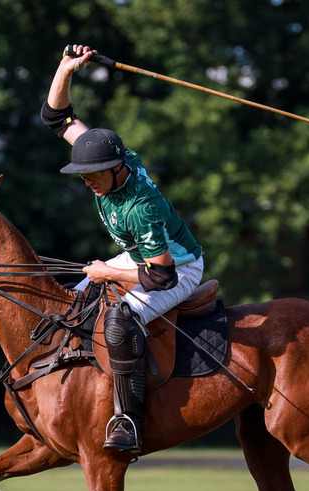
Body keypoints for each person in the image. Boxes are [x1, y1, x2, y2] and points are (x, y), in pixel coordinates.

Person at [41, 44, 205, 453]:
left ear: (116, 169)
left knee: (118, 321)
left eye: (94, 174)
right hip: (139, 258)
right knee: (69, 303)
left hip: (179, 267)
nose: (88, 182)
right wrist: (66, 70)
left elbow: (160, 276)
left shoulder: (141, 208)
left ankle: (127, 419)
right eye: (82, 175)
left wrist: (108, 273)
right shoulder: (116, 157)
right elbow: (55, 118)